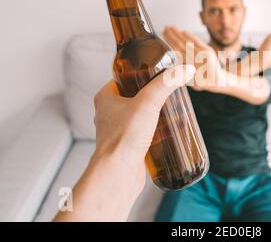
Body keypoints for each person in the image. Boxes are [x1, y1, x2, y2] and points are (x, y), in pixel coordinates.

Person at [155, 0, 271, 222]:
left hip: (257, 181)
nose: (225, 21)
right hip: (198, 179)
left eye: (232, 9)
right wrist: (259, 61)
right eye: (215, 11)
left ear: (244, 13)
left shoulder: (266, 58)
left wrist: (231, 73)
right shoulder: (190, 60)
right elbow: (166, 101)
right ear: (202, 17)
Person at [53, 64, 197, 222]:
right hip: (198, 187)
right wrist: (121, 162)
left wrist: (225, 83)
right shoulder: (189, 56)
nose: (225, 36)